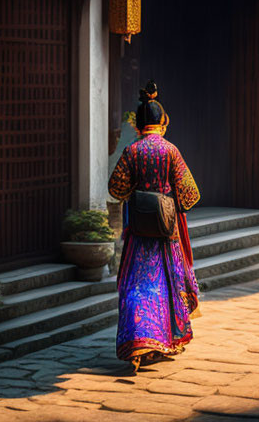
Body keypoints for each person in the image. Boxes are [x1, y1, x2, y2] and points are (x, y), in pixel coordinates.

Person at [108, 81, 201, 371]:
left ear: (138, 123)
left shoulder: (132, 151)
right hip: (166, 232)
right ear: (162, 122)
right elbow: (190, 195)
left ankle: (137, 341)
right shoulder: (171, 151)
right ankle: (163, 339)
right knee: (165, 284)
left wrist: (139, 190)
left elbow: (115, 189)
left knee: (137, 283)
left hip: (138, 231)